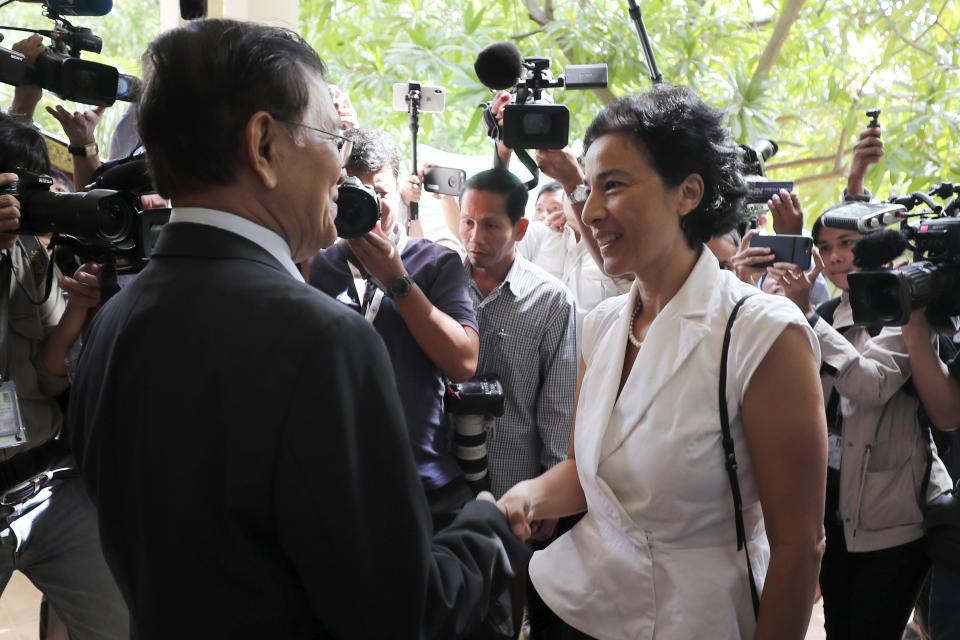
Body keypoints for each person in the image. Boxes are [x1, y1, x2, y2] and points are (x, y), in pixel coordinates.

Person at [67, 19, 529, 639]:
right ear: (263, 145)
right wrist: (487, 524)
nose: (343, 167)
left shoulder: (114, 320)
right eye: (333, 138)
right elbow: (403, 613)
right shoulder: (323, 340)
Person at [498, 86, 828, 640]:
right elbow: (592, 468)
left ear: (688, 193)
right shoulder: (602, 324)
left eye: (614, 186)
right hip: (580, 609)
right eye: (588, 187)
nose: (592, 209)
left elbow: (799, 546)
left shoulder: (762, 334)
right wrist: (526, 496)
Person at [767, 213, 953, 640]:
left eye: (847, 244)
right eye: (825, 247)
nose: (835, 258)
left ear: (875, 248)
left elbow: (871, 384)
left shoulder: (905, 313)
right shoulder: (831, 312)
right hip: (834, 510)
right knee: (839, 627)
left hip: (892, 518)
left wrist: (808, 319)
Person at [309, 127, 479, 530]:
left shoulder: (437, 263)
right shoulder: (313, 265)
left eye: (379, 192)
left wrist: (397, 279)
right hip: (333, 481)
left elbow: (464, 362)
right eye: (350, 190)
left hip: (422, 481)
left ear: (401, 189)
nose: (368, 204)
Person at [0, 114, 127, 638]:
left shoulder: (33, 255)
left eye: (31, 183)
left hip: (44, 480)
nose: (24, 199)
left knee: (119, 623)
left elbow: (50, 375)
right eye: (12, 183)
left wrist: (78, 310)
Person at [459, 169, 578, 501]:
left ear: (520, 229)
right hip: (442, 482)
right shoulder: (440, 286)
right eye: (467, 222)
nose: (474, 236)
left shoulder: (551, 300)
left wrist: (549, 491)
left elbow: (559, 405)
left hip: (514, 489)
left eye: (491, 225)